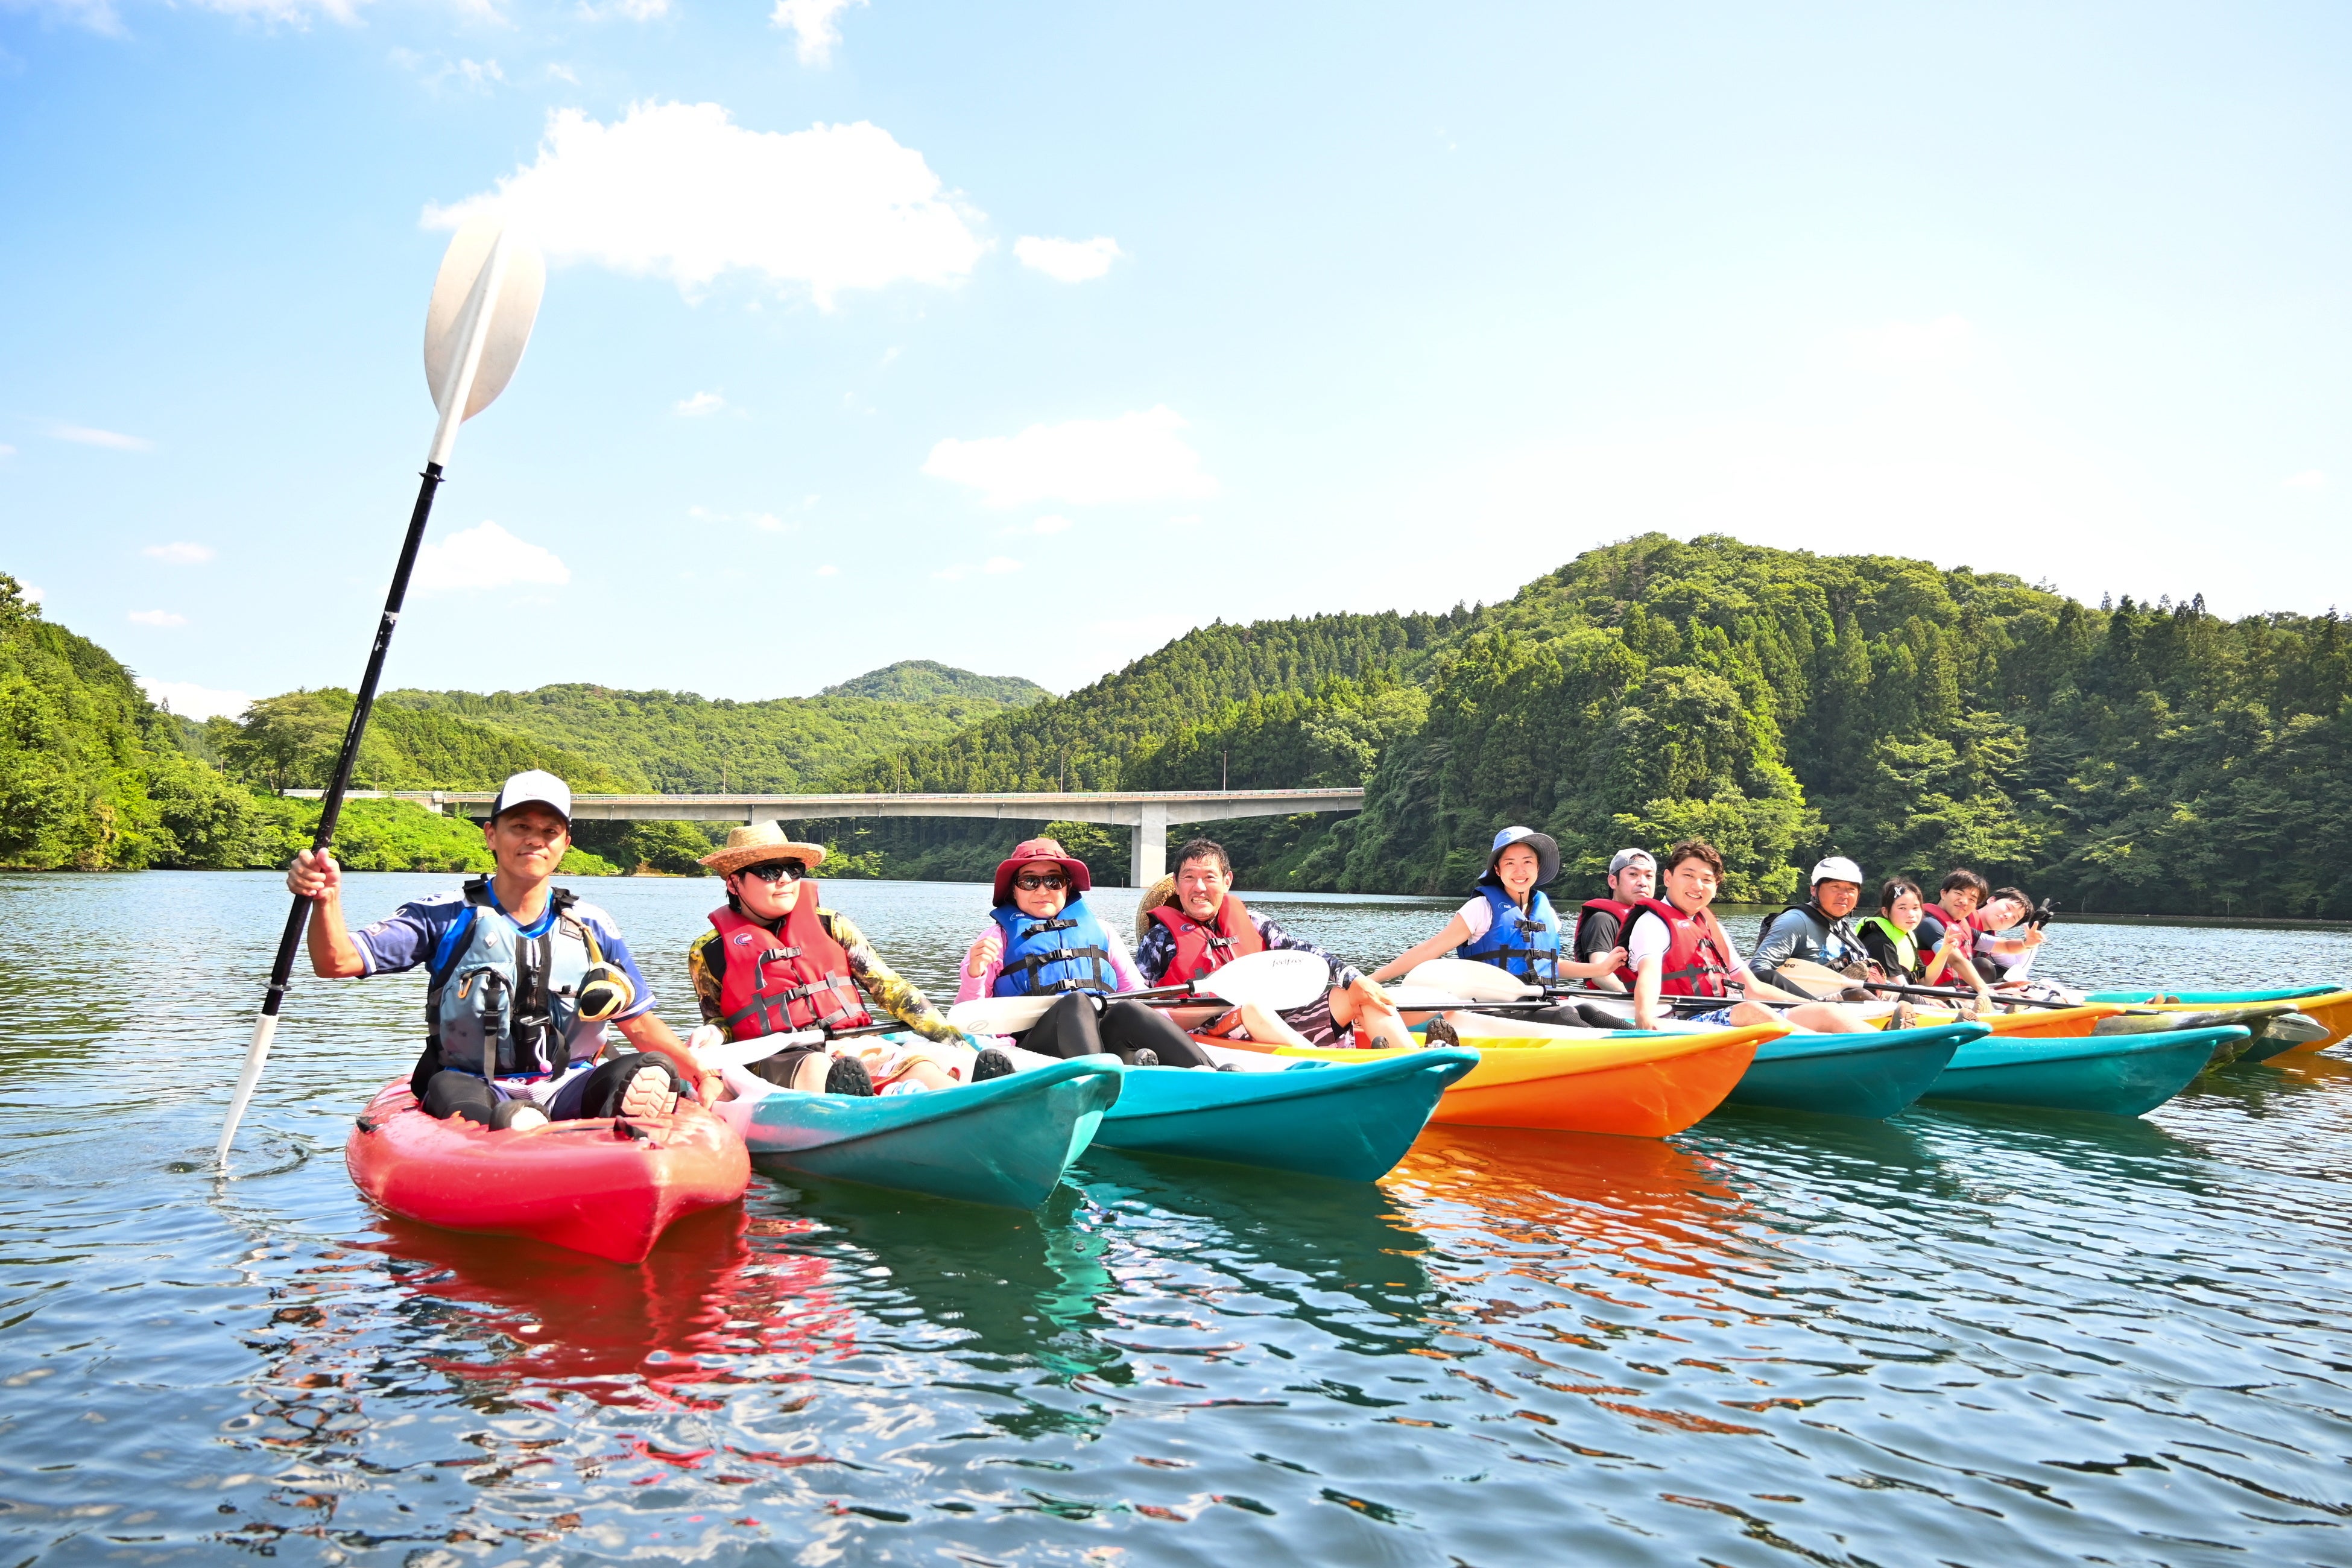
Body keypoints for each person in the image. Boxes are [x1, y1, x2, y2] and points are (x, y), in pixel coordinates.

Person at [285, 770, 697, 1133]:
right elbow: (335, 962)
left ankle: (570, 1130)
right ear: (491, 835)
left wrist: (704, 1076)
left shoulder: (592, 924)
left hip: (570, 1082)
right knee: (449, 1089)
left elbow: (638, 1024)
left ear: (565, 843)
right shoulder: (443, 915)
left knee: (650, 1070)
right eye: (520, 827)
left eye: (549, 832)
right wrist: (326, 900)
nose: (534, 840)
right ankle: (506, 1129)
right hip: (472, 1086)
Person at [686, 823, 994, 1095]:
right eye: (769, 871)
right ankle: (879, 1107)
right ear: (733, 882)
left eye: (793, 870)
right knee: (817, 1066)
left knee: (920, 1067)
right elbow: (719, 1020)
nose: (784, 880)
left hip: (850, 1042)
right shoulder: (708, 952)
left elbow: (892, 990)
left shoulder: (831, 925)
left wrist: (955, 1044)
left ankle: (968, 1097)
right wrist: (713, 1033)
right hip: (777, 1055)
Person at [1133, 837, 1415, 1051]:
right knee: (1253, 1008)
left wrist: (1354, 979)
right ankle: (1328, 1068)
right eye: (1189, 878)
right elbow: (1137, 1001)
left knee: (1363, 994)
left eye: (1209, 877)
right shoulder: (1159, 940)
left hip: (1282, 1018)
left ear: (1227, 881)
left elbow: (1306, 952)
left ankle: (1419, 1066)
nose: (1200, 888)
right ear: (1178, 885)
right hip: (1211, 1031)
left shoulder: (1254, 923)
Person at [958, 836, 1213, 1067]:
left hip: (1099, 1041)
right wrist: (974, 973)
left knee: (1130, 1009)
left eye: (1053, 881)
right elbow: (969, 1017)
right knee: (1077, 1002)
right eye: (1030, 881)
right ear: (1014, 890)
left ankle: (1210, 1074)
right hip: (1034, 1046)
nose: (1043, 890)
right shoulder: (995, 940)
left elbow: (1138, 994)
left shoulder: (1103, 932)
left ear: (1067, 887)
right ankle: (1103, 1081)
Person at [1626, 839, 1879, 1035]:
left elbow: (1753, 986)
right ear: (1669, 877)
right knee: (1750, 1009)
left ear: (1716, 887)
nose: (1698, 886)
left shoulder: (1709, 925)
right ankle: (1836, 1050)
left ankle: (1882, 1045)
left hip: (1720, 1015)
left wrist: (1811, 1002)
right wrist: (1644, 1017)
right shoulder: (1653, 924)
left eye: (1707, 880)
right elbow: (1648, 976)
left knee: (1825, 1012)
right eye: (1688, 876)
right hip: (1679, 1021)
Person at [1370, 826, 1628, 990]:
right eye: (1510, 863)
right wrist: (1371, 981)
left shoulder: (1547, 913)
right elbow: (1428, 950)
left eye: (1528, 862)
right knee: (1573, 1019)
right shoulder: (1480, 909)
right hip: (1491, 1007)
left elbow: (1547, 965)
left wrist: (1600, 969)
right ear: (1497, 869)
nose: (1520, 871)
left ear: (1538, 867)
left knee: (1591, 1014)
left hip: (1538, 1001)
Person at [1748, 856, 1873, 994]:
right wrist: (1810, 1003)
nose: (1844, 895)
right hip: (1809, 1009)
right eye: (1835, 887)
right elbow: (1758, 970)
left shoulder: (1842, 925)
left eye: (1851, 889)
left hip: (1846, 1003)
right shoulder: (1794, 922)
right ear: (1814, 890)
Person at [1856, 878, 1989, 1008]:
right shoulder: (1879, 940)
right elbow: (1900, 990)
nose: (1911, 914)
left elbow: (1926, 981)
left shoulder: (1907, 936)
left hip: (1908, 994)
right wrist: (1929, 999)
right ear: (1886, 912)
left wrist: (1943, 953)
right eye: (1902, 908)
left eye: (1916, 908)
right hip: (1893, 1000)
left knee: (1951, 993)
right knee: (1951, 1001)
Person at [1570, 848, 1656, 991]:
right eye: (1633, 874)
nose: (1642, 882)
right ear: (1613, 881)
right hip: (1618, 1007)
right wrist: (1642, 1003)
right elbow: (1600, 975)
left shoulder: (1655, 922)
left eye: (1649, 876)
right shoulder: (1603, 920)